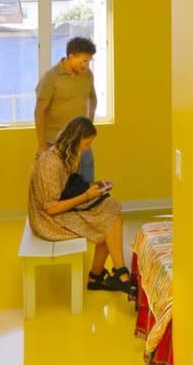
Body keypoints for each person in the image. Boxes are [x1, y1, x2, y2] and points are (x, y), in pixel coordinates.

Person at [28, 116, 136, 295]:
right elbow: (51, 208)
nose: (87, 148)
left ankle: (102, 276)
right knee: (109, 220)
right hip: (47, 221)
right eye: (86, 144)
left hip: (59, 210)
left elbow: (68, 187)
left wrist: (94, 186)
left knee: (111, 211)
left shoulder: (63, 156)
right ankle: (115, 274)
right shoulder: (50, 163)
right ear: (74, 140)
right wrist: (86, 196)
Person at [35, 36, 98, 182]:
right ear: (71, 57)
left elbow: (93, 98)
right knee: (62, 187)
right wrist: (41, 145)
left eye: (89, 61)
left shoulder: (87, 75)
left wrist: (89, 124)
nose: (86, 65)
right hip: (56, 142)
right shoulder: (51, 78)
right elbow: (40, 111)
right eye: (84, 61)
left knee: (86, 183)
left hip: (82, 141)